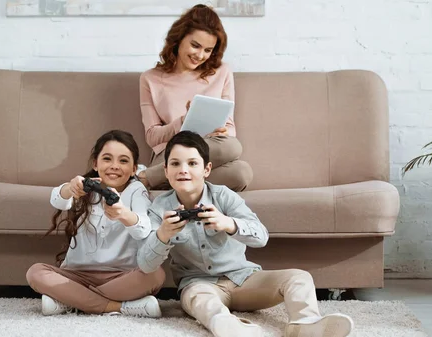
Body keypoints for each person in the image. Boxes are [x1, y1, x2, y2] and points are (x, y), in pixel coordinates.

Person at [137, 131, 354, 337]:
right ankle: (231, 328)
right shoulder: (159, 208)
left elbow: (261, 237)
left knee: (299, 277)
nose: (183, 170)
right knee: (198, 299)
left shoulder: (224, 196)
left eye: (192, 163)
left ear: (207, 169)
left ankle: (305, 325)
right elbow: (145, 264)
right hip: (199, 285)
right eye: (175, 164)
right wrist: (163, 235)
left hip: (243, 279)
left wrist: (228, 223)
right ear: (166, 171)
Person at [26, 130, 165, 318]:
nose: (114, 166)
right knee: (35, 273)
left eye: (123, 161)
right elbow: (57, 200)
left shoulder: (136, 190)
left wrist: (123, 214)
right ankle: (116, 307)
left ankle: (71, 300)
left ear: (134, 169)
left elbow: (143, 230)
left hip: (120, 277)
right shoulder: (85, 187)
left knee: (156, 275)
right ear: (95, 164)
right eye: (107, 159)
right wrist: (69, 188)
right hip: (78, 275)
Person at [137, 4, 253, 192]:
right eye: (195, 45)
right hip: (170, 154)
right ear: (179, 39)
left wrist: (222, 132)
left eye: (208, 50)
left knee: (240, 169)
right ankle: (161, 175)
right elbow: (152, 137)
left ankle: (153, 179)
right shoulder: (150, 79)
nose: (200, 55)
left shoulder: (221, 72)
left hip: (210, 151)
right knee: (233, 153)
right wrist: (183, 121)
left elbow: (230, 129)